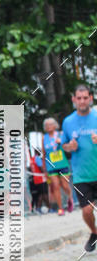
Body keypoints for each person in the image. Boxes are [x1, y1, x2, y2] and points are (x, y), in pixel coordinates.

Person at [62, 84, 97, 251]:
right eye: (79, 98)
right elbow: (64, 146)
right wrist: (70, 146)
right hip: (81, 174)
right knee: (87, 211)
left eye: (85, 98)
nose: (82, 101)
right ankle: (94, 232)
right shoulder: (68, 122)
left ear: (91, 98)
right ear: (74, 100)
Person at [42, 117, 73, 215]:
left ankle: (70, 198)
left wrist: (62, 142)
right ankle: (60, 208)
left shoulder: (61, 134)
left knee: (65, 185)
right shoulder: (44, 138)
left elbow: (69, 146)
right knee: (55, 186)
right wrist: (44, 170)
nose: (48, 126)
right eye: (46, 125)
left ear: (55, 125)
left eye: (50, 124)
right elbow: (43, 154)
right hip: (51, 166)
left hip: (62, 164)